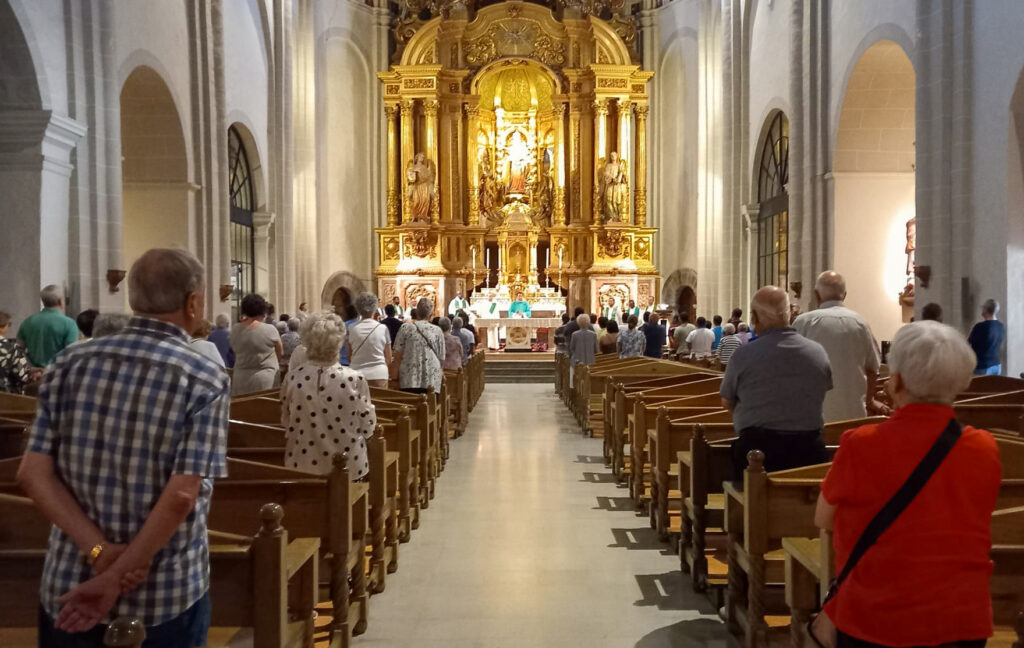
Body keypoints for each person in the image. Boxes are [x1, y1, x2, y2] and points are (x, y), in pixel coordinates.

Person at [17, 248, 229, 644]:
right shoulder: (203, 375)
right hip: (162, 591)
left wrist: (98, 553)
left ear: (133, 297)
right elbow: (182, 493)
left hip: (71, 584)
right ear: (193, 302)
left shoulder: (67, 363)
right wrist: (117, 576)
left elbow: (32, 473)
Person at [814, 320, 999, 648]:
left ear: (895, 382)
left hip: (878, 616)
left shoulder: (862, 444)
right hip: (960, 618)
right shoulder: (984, 447)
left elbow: (823, 518)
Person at [720, 285, 832, 477]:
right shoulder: (817, 352)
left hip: (757, 453)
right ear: (789, 314)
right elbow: (823, 389)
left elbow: (727, 401)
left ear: (754, 317)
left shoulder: (743, 355)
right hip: (809, 451)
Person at [281, 311, 376, 479]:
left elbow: (286, 420)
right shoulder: (354, 379)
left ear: (307, 342)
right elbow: (368, 424)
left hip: (302, 464)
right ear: (339, 342)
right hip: (349, 466)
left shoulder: (293, 377)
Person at [793, 271, 888, 421]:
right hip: (854, 416)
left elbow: (791, 369)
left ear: (816, 295)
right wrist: (869, 401)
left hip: (813, 418)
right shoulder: (860, 323)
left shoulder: (803, 322)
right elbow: (872, 370)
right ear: (844, 295)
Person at [230, 293, 283, 395]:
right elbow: (280, 351)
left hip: (241, 377)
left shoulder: (235, 329)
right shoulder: (269, 329)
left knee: (242, 408)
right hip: (264, 377)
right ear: (262, 310)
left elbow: (233, 347)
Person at [17, 285, 80, 367]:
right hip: (57, 374)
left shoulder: (27, 322)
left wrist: (31, 367)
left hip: (33, 375)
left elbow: (18, 349)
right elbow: (71, 354)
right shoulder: (69, 324)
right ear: (61, 301)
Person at [392, 298, 445, 394]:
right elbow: (441, 358)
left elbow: (397, 355)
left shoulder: (405, 328)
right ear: (431, 314)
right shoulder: (437, 331)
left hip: (409, 377)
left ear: (417, 312)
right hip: (432, 378)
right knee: (431, 406)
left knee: (409, 406)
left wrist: (394, 378)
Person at [347, 293, 392, 388]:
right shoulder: (383, 328)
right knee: (380, 403)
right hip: (379, 374)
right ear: (375, 309)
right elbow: (388, 356)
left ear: (358, 309)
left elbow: (349, 355)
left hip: (356, 374)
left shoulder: (351, 328)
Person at [967, 298, 1005, 376]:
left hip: (982, 366)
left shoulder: (980, 327)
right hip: (996, 365)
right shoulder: (1001, 326)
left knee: (979, 388)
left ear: (985, 309)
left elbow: (969, 344)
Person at [0, 311, 34, 394]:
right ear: (2, 327)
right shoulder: (11, 348)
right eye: (8, 324)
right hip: (6, 399)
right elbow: (24, 376)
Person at [568, 313, 599, 383]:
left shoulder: (574, 334)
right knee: (588, 381)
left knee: (577, 380)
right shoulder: (593, 334)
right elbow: (596, 350)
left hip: (577, 361)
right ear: (588, 322)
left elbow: (571, 348)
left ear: (578, 323)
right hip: (590, 360)